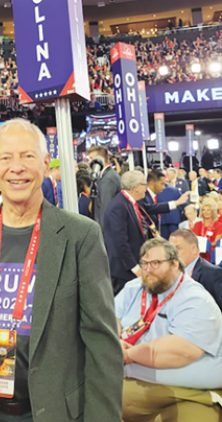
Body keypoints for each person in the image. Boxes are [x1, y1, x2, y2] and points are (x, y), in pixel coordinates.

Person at [0, 118, 123, 422]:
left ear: (45, 164)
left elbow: (101, 344)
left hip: (50, 413)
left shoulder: (80, 235)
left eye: (27, 156)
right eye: (6, 158)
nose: (16, 168)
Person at [116, 237, 222, 422]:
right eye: (145, 263)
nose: (148, 270)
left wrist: (127, 354)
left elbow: (182, 351)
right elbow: (110, 316)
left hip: (190, 391)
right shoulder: (134, 288)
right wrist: (114, 336)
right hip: (132, 384)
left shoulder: (195, 299)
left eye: (156, 263)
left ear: (175, 264)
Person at [104, 170, 154, 295]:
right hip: (123, 270)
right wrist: (134, 267)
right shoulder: (118, 206)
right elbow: (120, 242)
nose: (146, 189)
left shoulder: (128, 202)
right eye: (144, 185)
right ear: (136, 187)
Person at [169, 229, 222, 311]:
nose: (171, 254)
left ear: (193, 249)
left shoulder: (212, 274)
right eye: (170, 249)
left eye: (177, 249)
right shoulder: (168, 272)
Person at [88, 145, 121, 230]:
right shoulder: (102, 176)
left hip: (107, 232)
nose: (89, 162)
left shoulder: (108, 178)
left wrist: (100, 235)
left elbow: (105, 210)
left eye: (91, 158)